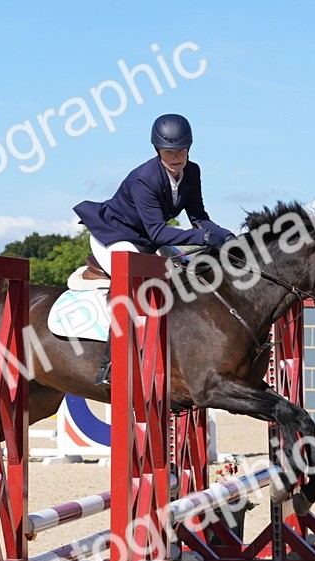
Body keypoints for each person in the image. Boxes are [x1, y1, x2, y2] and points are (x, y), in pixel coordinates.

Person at [72, 113, 234, 384]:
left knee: (185, 279)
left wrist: (229, 237)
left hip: (146, 239)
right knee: (135, 289)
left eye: (181, 150)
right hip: (115, 237)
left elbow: (199, 217)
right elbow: (159, 232)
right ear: (158, 150)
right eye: (170, 151)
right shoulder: (144, 179)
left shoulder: (192, 172)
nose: (176, 156)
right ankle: (110, 365)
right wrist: (204, 239)